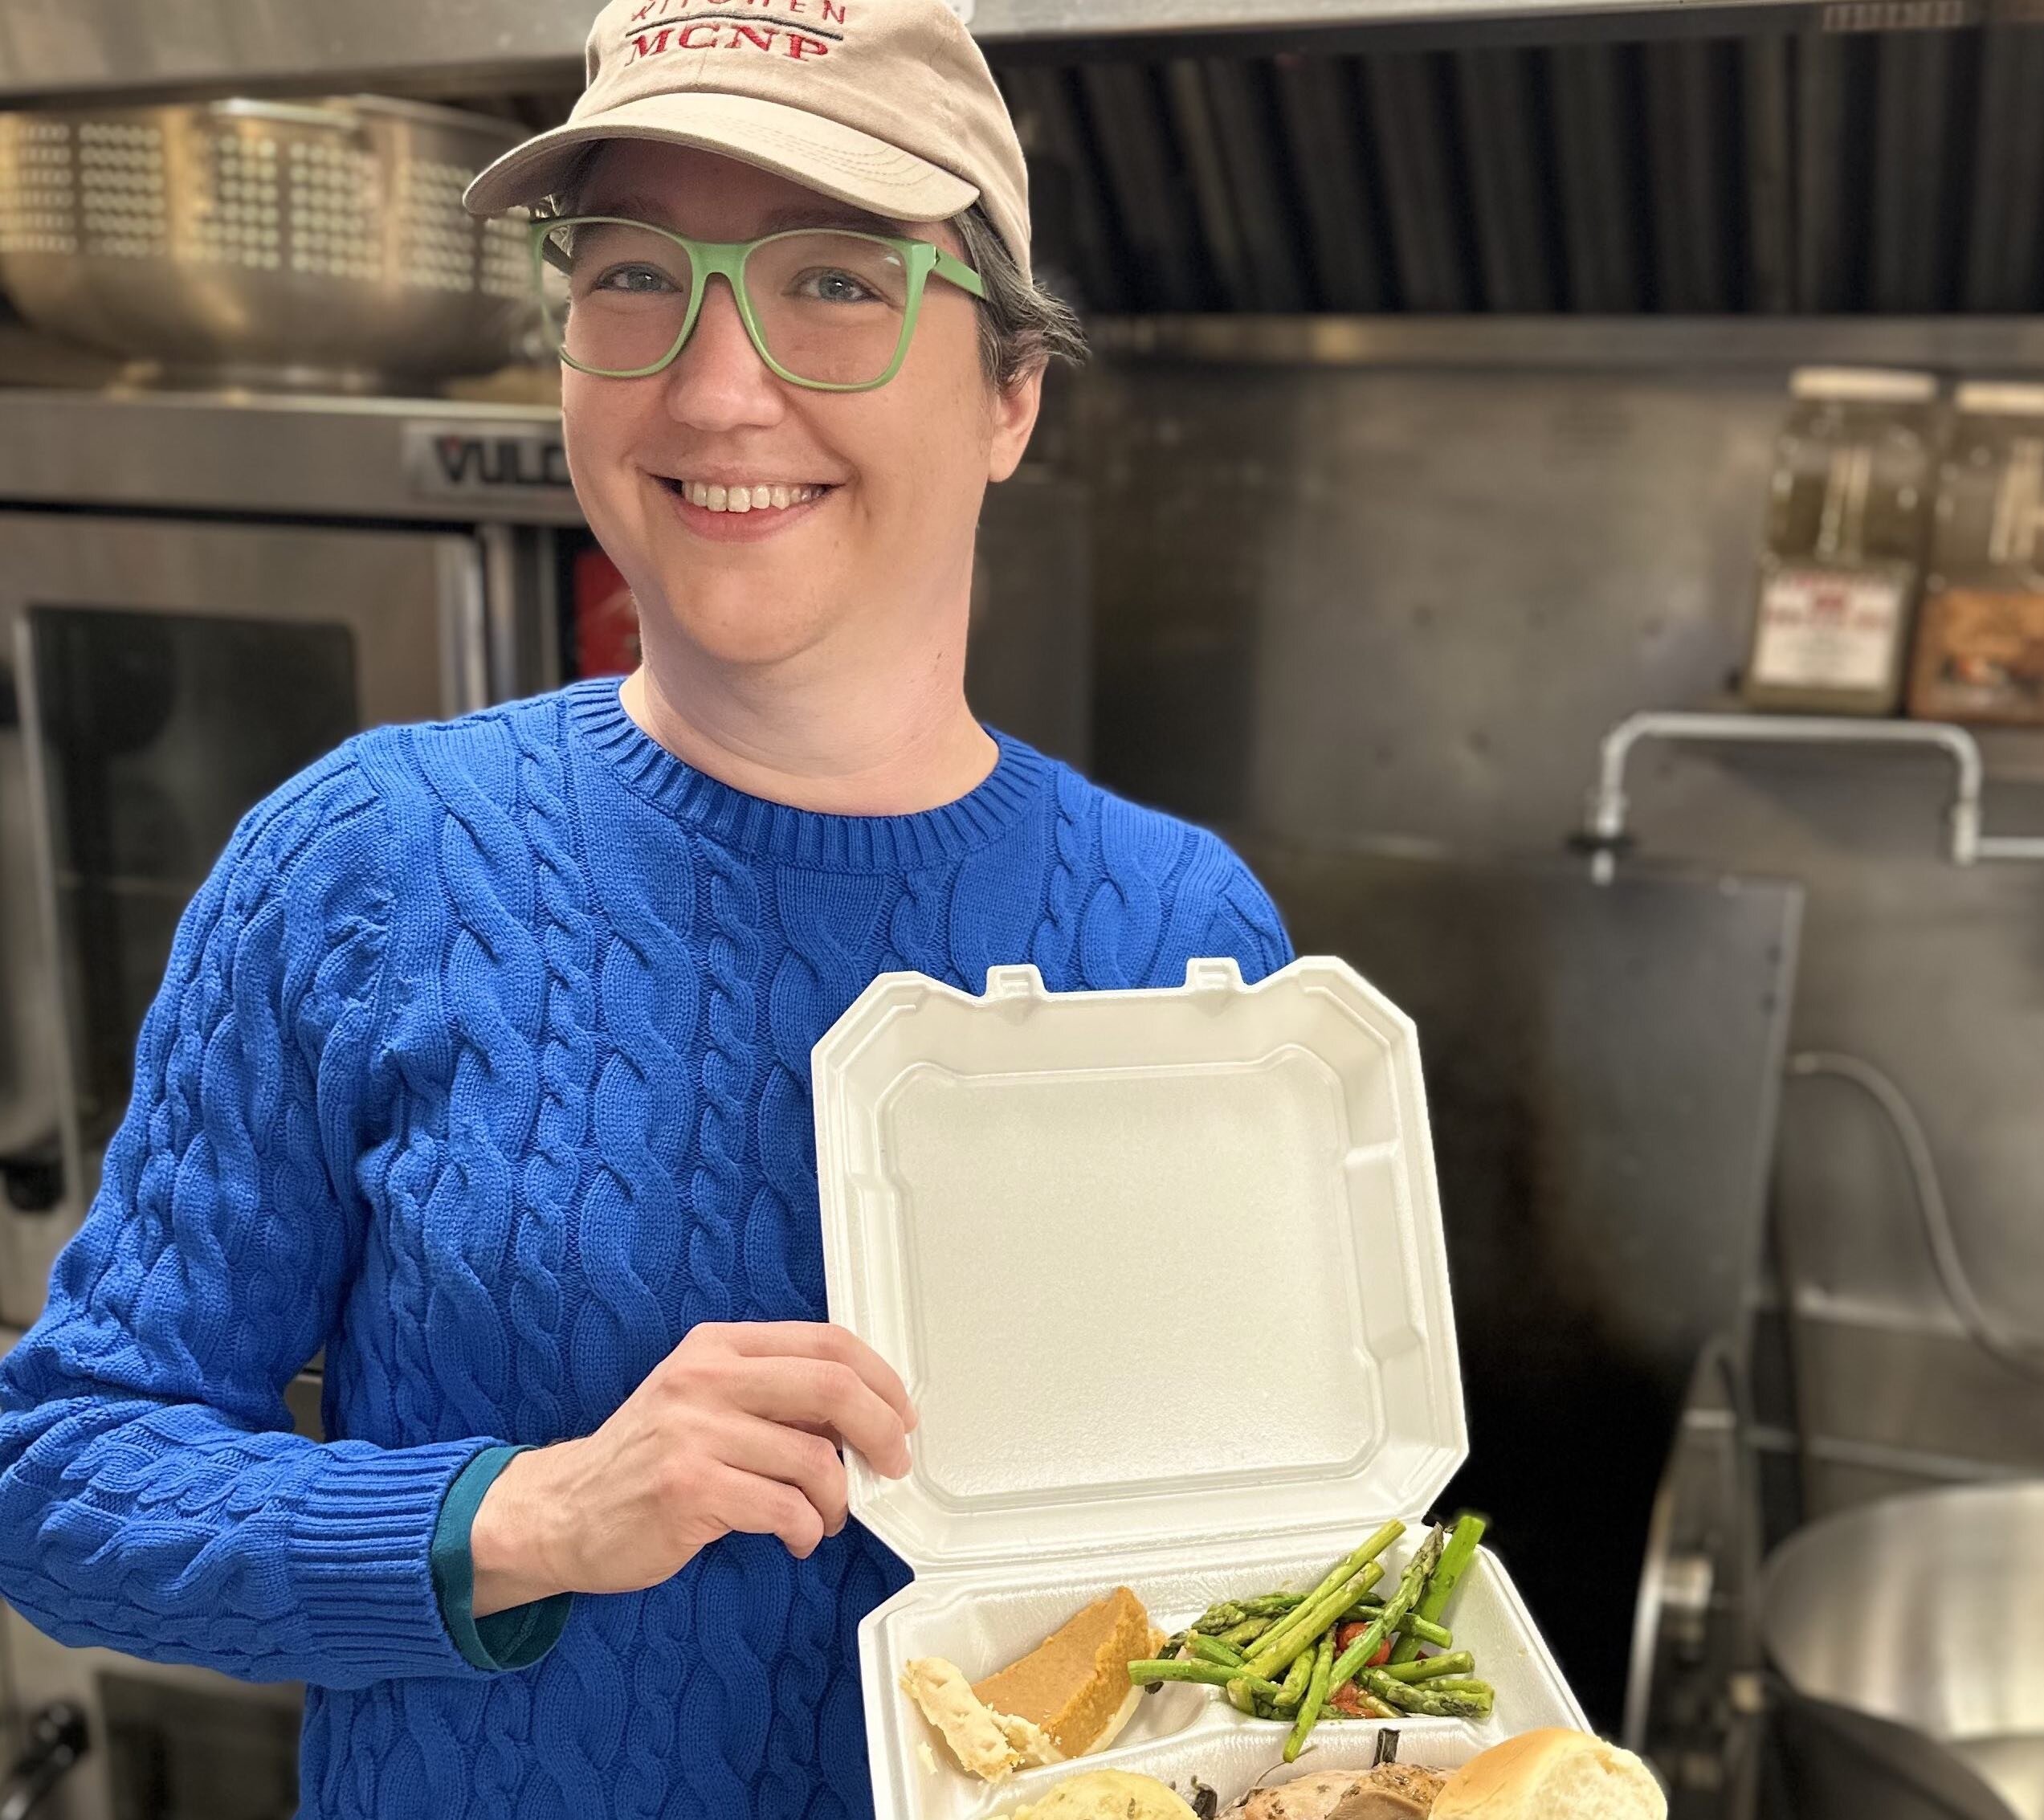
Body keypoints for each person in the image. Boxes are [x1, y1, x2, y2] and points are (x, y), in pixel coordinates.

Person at [0, 2, 1291, 1814]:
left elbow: (1267, 1570)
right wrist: (528, 1511)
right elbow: (59, 1480)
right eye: (632, 277)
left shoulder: (1177, 935)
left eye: (834, 280)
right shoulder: (367, 864)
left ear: (1011, 391)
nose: (711, 385)